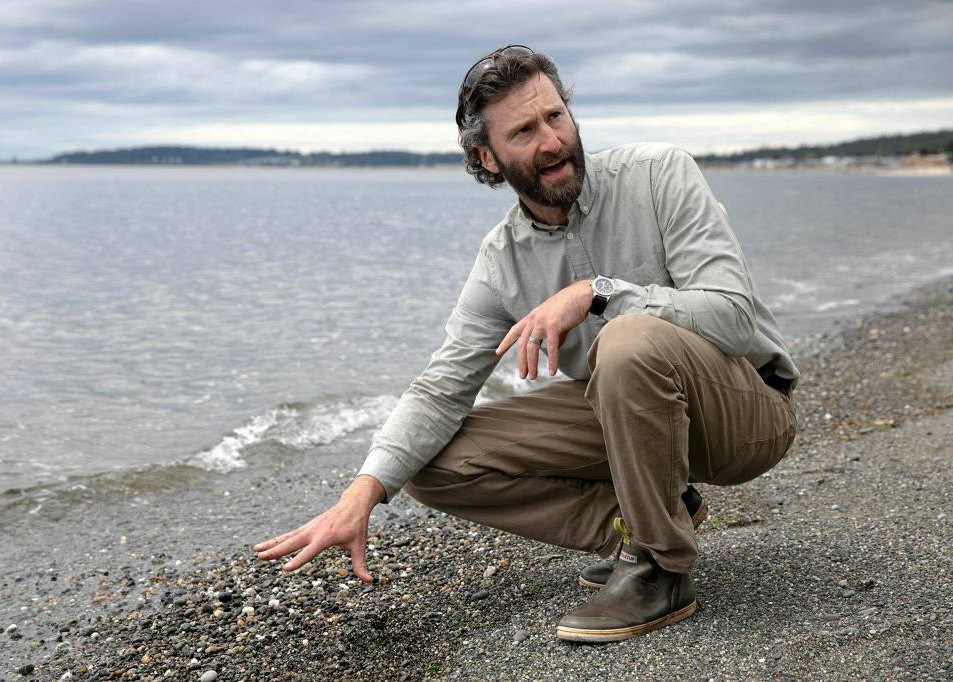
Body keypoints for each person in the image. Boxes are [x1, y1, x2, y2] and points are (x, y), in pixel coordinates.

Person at [253, 45, 798, 642]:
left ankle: (660, 567)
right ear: (487, 157)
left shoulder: (658, 173)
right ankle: (645, 517)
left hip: (745, 415)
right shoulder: (502, 261)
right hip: (631, 424)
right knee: (431, 467)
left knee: (629, 337)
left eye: (555, 117)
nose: (551, 141)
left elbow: (734, 318)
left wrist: (599, 292)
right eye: (523, 131)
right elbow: (441, 390)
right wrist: (360, 494)